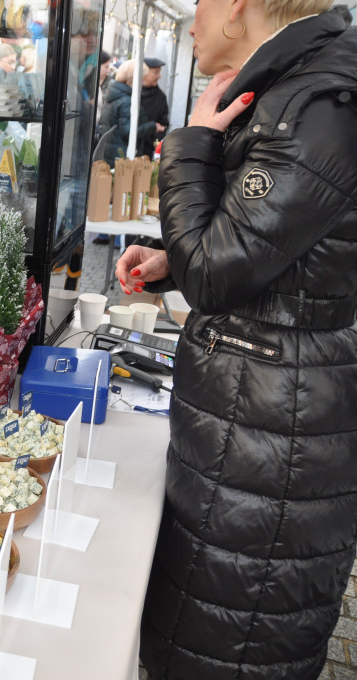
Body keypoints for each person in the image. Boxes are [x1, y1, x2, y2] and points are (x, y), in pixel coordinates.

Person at [115, 1, 357, 677]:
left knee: (223, 646)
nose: (191, 19)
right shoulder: (299, 88)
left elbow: (219, 274)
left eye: (200, 3)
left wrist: (188, 144)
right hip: (260, 422)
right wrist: (175, 258)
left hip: (272, 438)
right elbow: (275, 251)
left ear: (239, 5)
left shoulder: (316, 104)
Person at [98, 59, 165, 166]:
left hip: (112, 152)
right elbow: (128, 132)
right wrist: (152, 126)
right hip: (122, 155)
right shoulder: (126, 100)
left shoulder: (115, 93)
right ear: (133, 79)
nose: (143, 82)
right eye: (141, 79)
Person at [136, 56, 169, 158]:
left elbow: (163, 125)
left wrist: (152, 141)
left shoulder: (161, 97)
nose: (159, 76)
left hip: (147, 152)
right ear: (144, 73)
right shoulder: (132, 94)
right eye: (156, 72)